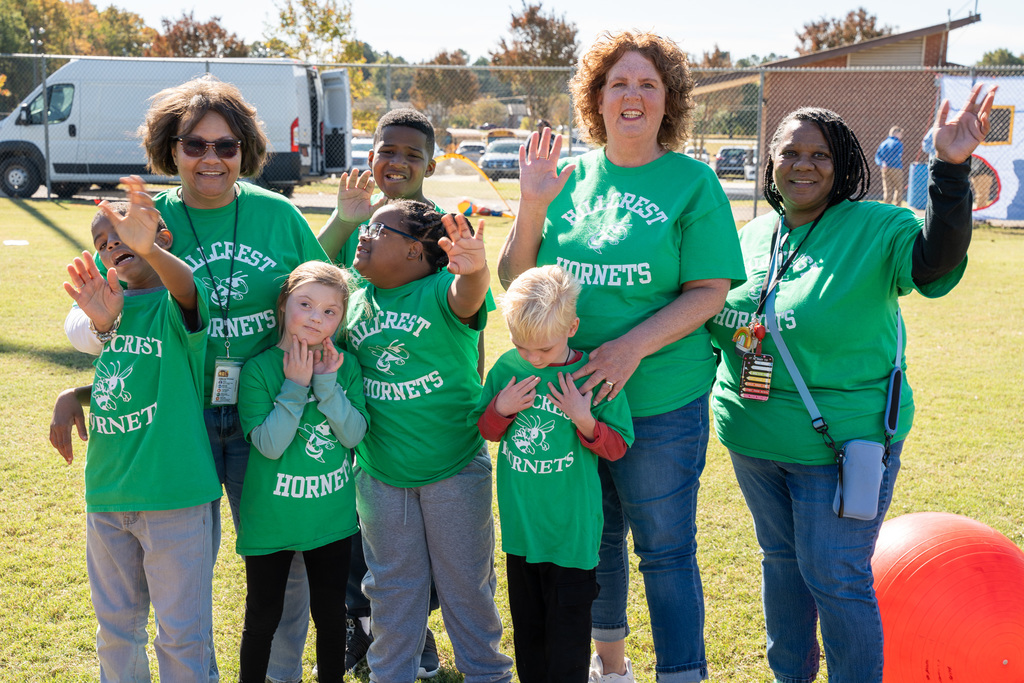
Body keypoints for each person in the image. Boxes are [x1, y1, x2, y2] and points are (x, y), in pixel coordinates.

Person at [707, 84, 997, 683]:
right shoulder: (754, 233)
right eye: (789, 153)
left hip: (839, 447)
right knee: (782, 566)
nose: (802, 164)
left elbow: (935, 261)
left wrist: (950, 168)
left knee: (836, 578)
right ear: (770, 163)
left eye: (819, 155)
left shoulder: (877, 227)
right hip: (753, 438)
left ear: (842, 166)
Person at [55, 75, 329, 683]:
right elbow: (93, 313)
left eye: (226, 146)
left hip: (264, 413)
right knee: (183, 584)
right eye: (194, 145)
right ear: (169, 150)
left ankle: (278, 674)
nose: (211, 159)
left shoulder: (278, 216)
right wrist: (84, 384)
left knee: (280, 565)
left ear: (245, 150)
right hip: (180, 424)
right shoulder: (147, 220)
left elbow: (329, 297)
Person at [498, 30, 745, 683]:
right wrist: (531, 203)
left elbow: (710, 291)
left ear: (670, 102)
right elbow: (513, 279)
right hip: (571, 398)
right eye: (619, 83)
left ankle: (681, 673)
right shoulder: (567, 178)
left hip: (661, 397)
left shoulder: (693, 184)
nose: (632, 95)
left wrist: (631, 346)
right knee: (595, 540)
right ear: (596, 99)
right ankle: (610, 667)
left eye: (648, 84)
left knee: (664, 548)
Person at [49, 193, 221, 680]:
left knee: (182, 634)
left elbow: (184, 288)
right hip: (107, 492)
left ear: (159, 237)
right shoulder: (107, 310)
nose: (112, 246)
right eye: (103, 244)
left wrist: (149, 253)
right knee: (116, 631)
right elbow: (126, 378)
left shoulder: (178, 302)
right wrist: (73, 393)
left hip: (174, 495)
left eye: (123, 235)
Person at [345, 199, 513, 683]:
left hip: (453, 470)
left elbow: (468, 294)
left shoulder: (440, 290)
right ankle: (389, 674)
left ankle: (487, 674)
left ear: (418, 252)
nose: (367, 233)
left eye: (380, 229)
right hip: (380, 475)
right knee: (392, 589)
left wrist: (476, 268)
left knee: (466, 587)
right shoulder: (357, 296)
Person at [316, 107, 444, 677]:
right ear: (371, 156)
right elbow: (307, 276)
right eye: (387, 150)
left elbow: (463, 325)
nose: (397, 161)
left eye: (412, 154)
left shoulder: (435, 231)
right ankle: (363, 628)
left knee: (417, 536)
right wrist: (346, 220)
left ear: (431, 164)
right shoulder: (361, 223)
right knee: (357, 529)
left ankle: (415, 635)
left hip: (417, 412)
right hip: (351, 402)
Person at [473, 265, 635, 683]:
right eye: (521, 346)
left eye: (542, 350)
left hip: (572, 536)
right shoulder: (510, 368)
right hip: (522, 531)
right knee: (529, 635)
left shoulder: (592, 377)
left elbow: (618, 446)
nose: (532, 358)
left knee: (566, 643)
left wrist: (585, 420)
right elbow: (486, 431)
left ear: (572, 327)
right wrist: (501, 409)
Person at [237, 261, 368, 683]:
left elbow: (353, 436)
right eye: (306, 304)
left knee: (331, 616)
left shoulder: (345, 367)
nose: (316, 317)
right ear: (283, 304)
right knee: (262, 618)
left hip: (329, 519)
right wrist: (294, 387)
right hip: (270, 521)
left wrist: (327, 385)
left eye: (331, 311)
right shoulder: (258, 370)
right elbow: (271, 445)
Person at [875, 125, 904, 204]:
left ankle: (887, 206)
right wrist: (890, 163)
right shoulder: (898, 143)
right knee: (898, 188)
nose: (901, 136)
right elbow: (898, 156)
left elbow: (877, 156)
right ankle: (897, 207)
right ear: (896, 133)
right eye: (900, 134)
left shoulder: (883, 143)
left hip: (884, 168)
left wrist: (883, 164)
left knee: (887, 189)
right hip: (896, 168)